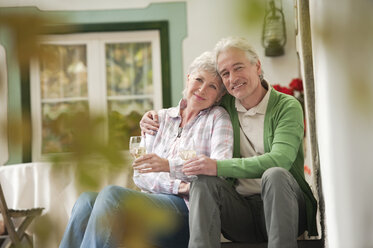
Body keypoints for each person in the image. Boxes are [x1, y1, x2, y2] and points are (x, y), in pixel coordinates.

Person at [140, 37, 318, 248]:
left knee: (275, 173)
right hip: (239, 211)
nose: (233, 78)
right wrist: (155, 117)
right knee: (203, 181)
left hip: (286, 207)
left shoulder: (286, 106)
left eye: (238, 68)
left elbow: (279, 160)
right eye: (225, 73)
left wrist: (217, 166)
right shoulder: (224, 105)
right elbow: (196, 97)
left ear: (257, 66)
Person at [59, 51, 233, 248]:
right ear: (188, 78)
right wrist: (180, 186)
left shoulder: (218, 119)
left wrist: (167, 167)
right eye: (199, 80)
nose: (202, 89)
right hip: (149, 203)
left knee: (112, 196)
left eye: (212, 86)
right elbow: (140, 174)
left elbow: (221, 172)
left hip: (187, 213)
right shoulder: (159, 118)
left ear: (220, 95)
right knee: (86, 201)